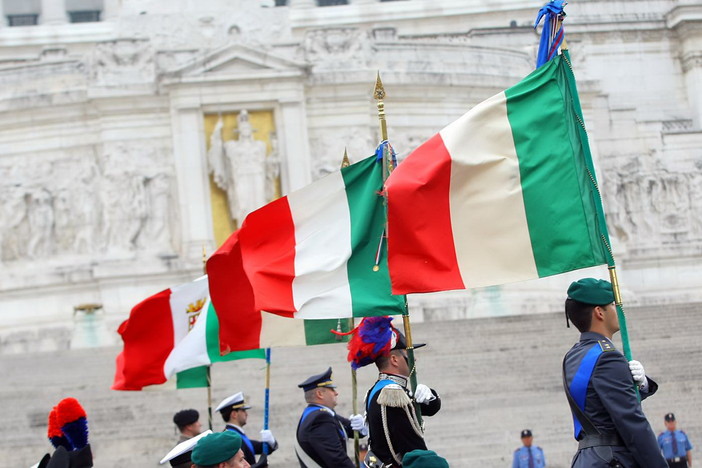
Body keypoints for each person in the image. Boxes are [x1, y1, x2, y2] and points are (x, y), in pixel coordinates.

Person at [562, 278, 667, 468]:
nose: (617, 309)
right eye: (612, 304)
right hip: (612, 459)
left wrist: (641, 384)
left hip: (588, 458)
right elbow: (632, 423)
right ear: (599, 312)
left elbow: (597, 403)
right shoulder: (607, 357)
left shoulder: (573, 355)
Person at [346, 316, 441, 467]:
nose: (414, 359)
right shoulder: (391, 393)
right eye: (408, 354)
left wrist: (430, 396)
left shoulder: (380, 389)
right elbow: (412, 448)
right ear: (395, 360)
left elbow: (429, 408)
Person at [294, 367, 367, 467]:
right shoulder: (319, 418)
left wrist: (362, 425)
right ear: (320, 394)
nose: (336, 393)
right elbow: (337, 459)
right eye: (331, 389)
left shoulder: (318, 413)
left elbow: (350, 429)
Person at [215, 391, 277, 468]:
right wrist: (259, 465)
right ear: (234, 414)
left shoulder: (237, 434)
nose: (246, 414)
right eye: (243, 410)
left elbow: (266, 448)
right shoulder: (230, 438)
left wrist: (271, 440)